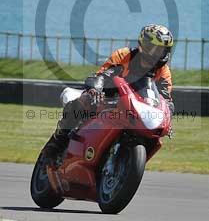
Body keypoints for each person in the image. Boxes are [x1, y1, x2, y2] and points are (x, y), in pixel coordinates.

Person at [42, 24, 175, 164]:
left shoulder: (164, 72)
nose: (156, 53)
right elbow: (103, 75)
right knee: (84, 101)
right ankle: (57, 142)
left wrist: (167, 117)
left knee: (154, 136)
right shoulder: (125, 55)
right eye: (153, 48)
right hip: (109, 98)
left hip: (137, 109)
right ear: (144, 45)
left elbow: (165, 100)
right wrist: (95, 89)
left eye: (161, 50)